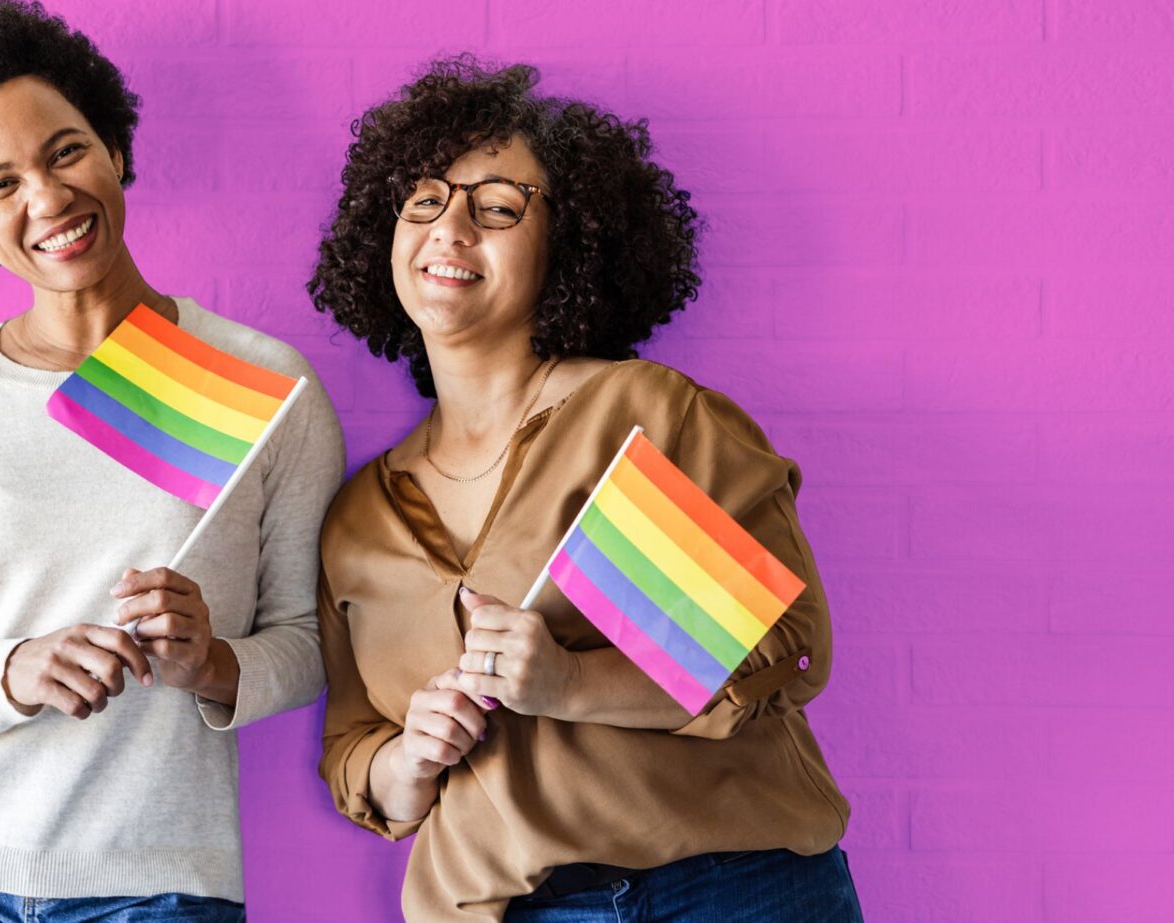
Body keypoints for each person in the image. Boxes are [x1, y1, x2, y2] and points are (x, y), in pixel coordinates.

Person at [0, 2, 342, 919]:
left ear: (116, 150)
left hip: (153, 880)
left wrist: (213, 660)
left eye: (66, 153)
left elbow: (307, 643)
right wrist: (10, 670)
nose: (49, 199)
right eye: (1, 185)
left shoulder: (265, 385)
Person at [310, 58, 863, 922]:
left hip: (729, 888)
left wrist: (568, 683)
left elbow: (790, 648)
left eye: (496, 206)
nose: (450, 225)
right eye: (424, 200)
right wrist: (409, 757)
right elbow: (354, 752)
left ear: (566, 247)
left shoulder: (641, 416)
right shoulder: (355, 520)